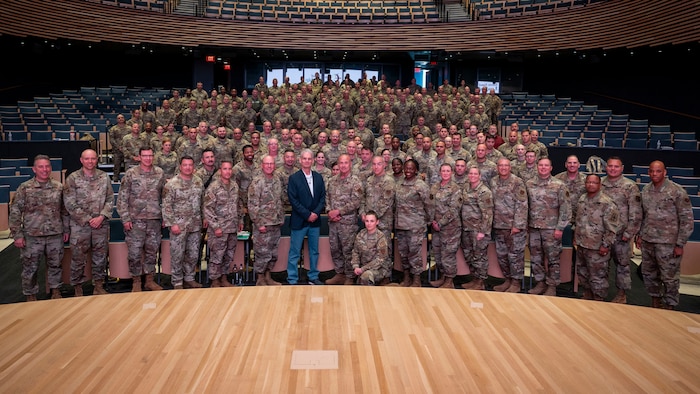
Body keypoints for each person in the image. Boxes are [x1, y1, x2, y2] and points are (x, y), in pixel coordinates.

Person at [9, 155, 69, 301]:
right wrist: (17, 235)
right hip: (32, 235)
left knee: (55, 265)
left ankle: (56, 291)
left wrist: (66, 229)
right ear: (34, 169)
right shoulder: (25, 188)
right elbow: (15, 211)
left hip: (55, 234)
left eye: (47, 166)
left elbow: (64, 211)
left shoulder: (59, 187)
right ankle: (31, 295)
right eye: (41, 167)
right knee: (30, 268)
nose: (45, 169)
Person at [636, 161, 694, 309]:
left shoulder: (677, 191)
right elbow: (643, 215)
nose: (654, 174)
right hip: (648, 240)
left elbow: (687, 220)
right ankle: (655, 301)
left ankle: (670, 306)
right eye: (652, 171)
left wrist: (680, 244)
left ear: (664, 172)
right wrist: (640, 235)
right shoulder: (646, 190)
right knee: (649, 274)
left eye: (658, 171)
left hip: (668, 243)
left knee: (669, 277)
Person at [63, 149, 112, 296]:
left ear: (97, 160)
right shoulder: (72, 178)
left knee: (100, 257)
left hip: (100, 225)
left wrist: (102, 217)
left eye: (93, 159)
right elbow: (69, 203)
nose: (90, 161)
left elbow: (110, 199)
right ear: (81, 160)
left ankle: (98, 285)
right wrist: (87, 219)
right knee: (78, 257)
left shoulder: (104, 177)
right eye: (87, 159)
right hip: (80, 226)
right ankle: (78, 287)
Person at [116, 147, 166, 292]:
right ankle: (136, 282)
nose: (148, 158)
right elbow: (122, 198)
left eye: (150, 155)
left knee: (152, 252)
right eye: (145, 156)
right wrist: (125, 218)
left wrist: (164, 217)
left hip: (154, 220)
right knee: (134, 253)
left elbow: (165, 197)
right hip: (135, 220)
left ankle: (149, 281)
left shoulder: (160, 173)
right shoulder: (131, 174)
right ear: (139, 157)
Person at [526, 158, 571, 296]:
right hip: (533, 227)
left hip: (551, 229)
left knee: (553, 258)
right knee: (535, 258)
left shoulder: (559, 185)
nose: (543, 167)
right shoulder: (529, 184)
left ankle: (552, 286)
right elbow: (525, 206)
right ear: (537, 167)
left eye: (546, 165)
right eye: (541, 165)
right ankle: (540, 282)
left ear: (551, 168)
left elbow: (566, 209)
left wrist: (560, 228)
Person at [601, 156, 642, 304]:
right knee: (601, 265)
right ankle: (600, 293)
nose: (612, 169)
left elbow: (636, 213)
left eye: (616, 166)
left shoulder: (629, 187)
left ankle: (621, 294)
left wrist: (629, 233)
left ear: (622, 168)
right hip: (604, 234)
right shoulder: (601, 184)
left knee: (622, 266)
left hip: (621, 235)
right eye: (610, 166)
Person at [574, 174, 620, 301]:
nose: (591, 185)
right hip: (582, 244)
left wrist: (606, 245)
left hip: (597, 246)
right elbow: (578, 220)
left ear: (599, 185)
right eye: (588, 182)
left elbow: (611, 228)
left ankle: (599, 300)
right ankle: (587, 295)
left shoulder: (607, 203)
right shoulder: (582, 198)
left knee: (598, 276)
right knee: (583, 273)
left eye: (594, 183)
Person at [161, 156, 205, 290]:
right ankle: (177, 281)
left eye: (190, 165)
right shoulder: (172, 184)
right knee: (177, 254)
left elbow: (203, 202)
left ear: (194, 167)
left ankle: (190, 278)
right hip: (178, 226)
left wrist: (204, 219)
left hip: (195, 225)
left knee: (193, 254)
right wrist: (172, 223)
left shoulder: (198, 182)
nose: (188, 167)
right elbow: (166, 205)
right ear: (180, 166)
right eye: (185, 165)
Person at [287, 149, 326, 285]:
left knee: (314, 251)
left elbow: (322, 198)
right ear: (300, 160)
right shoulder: (294, 178)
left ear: (313, 160)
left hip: (315, 221)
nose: (307, 161)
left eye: (309, 159)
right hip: (299, 220)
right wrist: (307, 214)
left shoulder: (318, 177)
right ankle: (292, 278)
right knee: (295, 252)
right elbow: (293, 200)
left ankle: (313, 276)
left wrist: (315, 213)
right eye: (304, 158)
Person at [490, 158, 528, 293]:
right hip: (499, 225)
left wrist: (517, 225)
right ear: (497, 167)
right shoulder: (493, 181)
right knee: (502, 255)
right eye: (501, 165)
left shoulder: (517, 182)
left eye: (506, 165)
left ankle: (516, 283)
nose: (503, 168)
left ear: (510, 167)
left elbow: (522, 205)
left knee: (515, 256)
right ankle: (508, 280)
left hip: (513, 227)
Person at [203, 159, 243, 288]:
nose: (228, 171)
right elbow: (207, 208)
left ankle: (224, 278)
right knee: (217, 255)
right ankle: (215, 280)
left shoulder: (234, 186)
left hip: (232, 227)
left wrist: (240, 221)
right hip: (218, 229)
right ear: (220, 171)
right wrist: (215, 226)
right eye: (225, 169)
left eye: (230, 169)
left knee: (228, 254)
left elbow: (239, 205)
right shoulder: (214, 187)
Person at [324, 154, 363, 285]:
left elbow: (356, 202)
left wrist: (339, 212)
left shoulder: (355, 181)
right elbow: (327, 199)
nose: (343, 165)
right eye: (341, 163)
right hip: (333, 223)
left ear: (350, 164)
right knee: (335, 249)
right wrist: (330, 212)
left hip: (348, 223)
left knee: (348, 251)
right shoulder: (332, 181)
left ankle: (350, 276)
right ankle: (339, 273)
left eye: (346, 163)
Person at [394, 159, 433, 287]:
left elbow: (429, 205)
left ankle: (416, 279)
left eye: (411, 168)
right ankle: (406, 277)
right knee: (403, 253)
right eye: (406, 168)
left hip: (415, 226)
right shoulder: (400, 183)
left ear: (416, 170)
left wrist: (427, 221)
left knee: (414, 253)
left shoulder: (421, 185)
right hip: (401, 225)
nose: (408, 171)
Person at [248, 155, 285, 286]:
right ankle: (260, 278)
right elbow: (252, 205)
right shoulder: (257, 182)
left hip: (275, 223)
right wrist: (258, 223)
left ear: (274, 165)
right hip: (263, 225)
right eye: (267, 164)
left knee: (273, 253)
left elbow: (279, 201)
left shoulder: (277, 180)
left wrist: (281, 218)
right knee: (261, 252)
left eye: (271, 164)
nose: (269, 166)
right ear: (262, 165)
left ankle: (268, 276)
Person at [428, 163, 462, 289]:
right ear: (439, 172)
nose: (445, 173)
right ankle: (443, 277)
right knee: (438, 254)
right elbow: (430, 205)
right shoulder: (434, 187)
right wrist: (432, 221)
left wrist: (440, 223)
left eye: (448, 171)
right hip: (436, 227)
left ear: (452, 172)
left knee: (448, 255)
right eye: (443, 170)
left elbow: (454, 209)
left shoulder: (455, 189)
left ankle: (449, 280)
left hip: (450, 228)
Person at [460, 166, 494, 290]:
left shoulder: (484, 191)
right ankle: (474, 278)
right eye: (471, 173)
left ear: (480, 176)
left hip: (478, 230)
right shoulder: (466, 188)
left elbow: (488, 213)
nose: (473, 176)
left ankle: (480, 282)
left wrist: (483, 231)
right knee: (469, 255)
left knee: (480, 256)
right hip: (467, 228)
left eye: (475, 174)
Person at [352, 211, 391, 286]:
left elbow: (380, 260)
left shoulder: (380, 237)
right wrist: (356, 266)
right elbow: (355, 252)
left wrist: (363, 269)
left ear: (377, 222)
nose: (369, 223)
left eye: (372, 221)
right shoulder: (361, 234)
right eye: (367, 221)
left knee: (366, 276)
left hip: (379, 269)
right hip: (363, 268)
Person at [109, 113, 130, 182]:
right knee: (116, 165)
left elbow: (131, 138)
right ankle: (115, 178)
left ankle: (127, 179)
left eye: (122, 118)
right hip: (117, 150)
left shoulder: (129, 128)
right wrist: (118, 147)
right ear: (117, 120)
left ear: (124, 119)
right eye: (119, 118)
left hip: (127, 150)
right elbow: (112, 139)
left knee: (127, 166)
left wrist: (125, 148)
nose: (121, 119)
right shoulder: (113, 129)